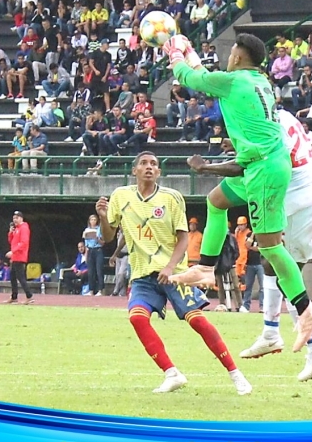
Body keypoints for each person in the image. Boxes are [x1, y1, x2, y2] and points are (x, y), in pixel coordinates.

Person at [163, 33, 312, 352]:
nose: (229, 55)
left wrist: (174, 53)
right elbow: (208, 76)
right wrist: (190, 48)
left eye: (232, 51)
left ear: (238, 57)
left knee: (271, 246)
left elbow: (188, 77)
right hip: (261, 162)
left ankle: (307, 311)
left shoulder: (234, 80)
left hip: (264, 168)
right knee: (217, 200)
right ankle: (206, 269)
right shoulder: (257, 80)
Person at [187, 109, 312, 381]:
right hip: (310, 191)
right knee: (270, 263)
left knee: (285, 277)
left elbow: (246, 165)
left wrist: (205, 166)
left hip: (300, 196)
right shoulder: (281, 115)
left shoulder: (261, 126)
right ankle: (270, 332)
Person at [95, 152, 252, 395]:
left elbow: (183, 238)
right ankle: (172, 373)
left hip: (175, 273)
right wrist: (105, 218)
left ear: (158, 172)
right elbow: (107, 237)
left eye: (154, 164)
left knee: (197, 320)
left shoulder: (171, 198)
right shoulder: (120, 196)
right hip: (142, 275)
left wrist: (170, 268)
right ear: (134, 170)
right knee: (137, 318)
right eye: (144, 163)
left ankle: (235, 373)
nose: (149, 167)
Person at [5, 211, 33, 304]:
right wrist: (10, 232)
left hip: (20, 257)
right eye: (14, 218)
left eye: (16, 218)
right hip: (14, 257)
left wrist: (13, 251)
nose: (15, 220)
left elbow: (24, 243)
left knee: (20, 277)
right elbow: (11, 241)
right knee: (12, 277)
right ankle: (14, 296)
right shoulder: (16, 229)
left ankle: (29, 296)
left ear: (21, 218)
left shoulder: (24, 228)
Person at [82, 215, 105, 296]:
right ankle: (91, 290)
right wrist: (85, 255)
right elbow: (86, 245)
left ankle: (100, 290)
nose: (93, 221)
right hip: (90, 250)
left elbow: (102, 242)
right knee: (90, 272)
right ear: (89, 221)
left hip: (98, 250)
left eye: (95, 219)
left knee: (99, 271)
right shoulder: (86, 230)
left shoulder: (99, 229)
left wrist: (97, 238)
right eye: (92, 219)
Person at [109, 229, 129, 297]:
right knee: (117, 275)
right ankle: (122, 293)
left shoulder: (128, 230)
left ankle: (116, 290)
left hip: (126, 254)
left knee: (121, 273)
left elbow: (122, 243)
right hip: (118, 255)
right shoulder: (119, 232)